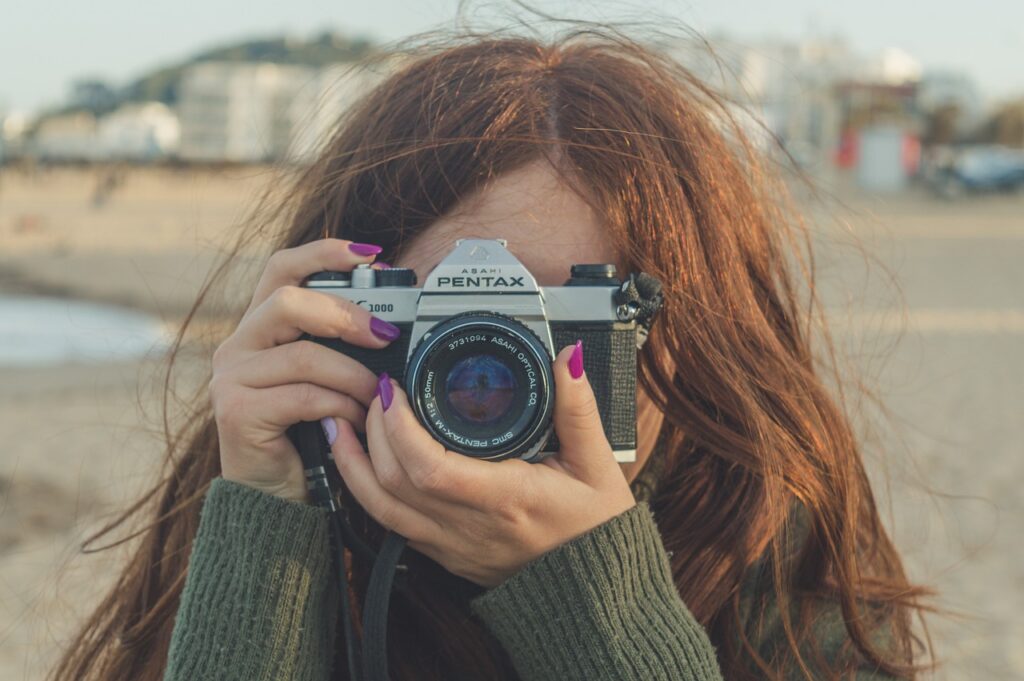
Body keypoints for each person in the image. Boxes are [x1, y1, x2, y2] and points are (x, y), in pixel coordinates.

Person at [50, 30, 932, 681]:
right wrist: (265, 511)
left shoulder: (768, 530)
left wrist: (595, 602)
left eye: (557, 314)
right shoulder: (303, 502)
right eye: (445, 309)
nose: (492, 371)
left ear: (687, 331)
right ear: (344, 314)